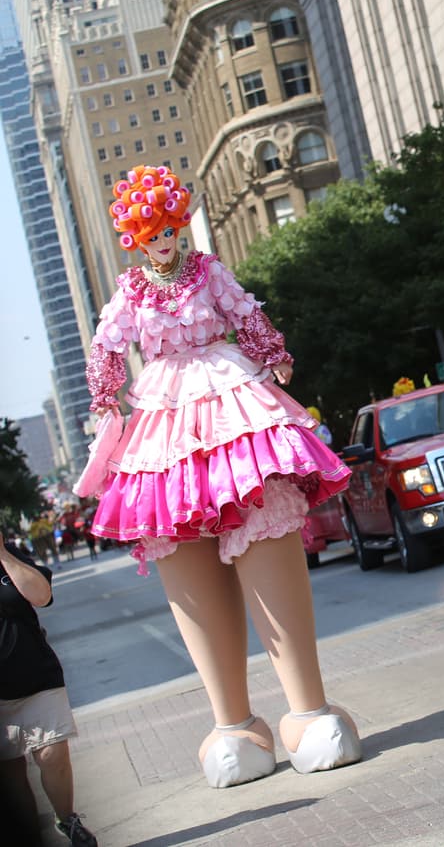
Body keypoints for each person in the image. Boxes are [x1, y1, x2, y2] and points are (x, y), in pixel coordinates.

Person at [80, 165, 360, 788]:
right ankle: (233, 725)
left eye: (169, 230)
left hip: (231, 394)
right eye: (152, 234)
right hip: (165, 415)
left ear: (180, 225)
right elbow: (106, 347)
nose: (163, 242)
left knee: (261, 509)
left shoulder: (207, 270)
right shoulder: (130, 292)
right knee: (178, 531)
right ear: (135, 238)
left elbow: (246, 313)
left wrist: (272, 353)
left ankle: (306, 712)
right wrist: (104, 396)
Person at [0, 541, 97, 846]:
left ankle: (66, 819)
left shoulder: (10, 554)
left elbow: (42, 596)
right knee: (11, 773)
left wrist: (2, 554)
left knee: (52, 753)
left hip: (36, 672)